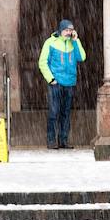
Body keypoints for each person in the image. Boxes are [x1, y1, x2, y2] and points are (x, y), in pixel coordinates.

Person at [38, 19, 86, 149]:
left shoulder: (74, 42)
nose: (68, 33)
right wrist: (51, 79)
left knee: (65, 113)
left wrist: (76, 41)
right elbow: (42, 62)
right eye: (66, 30)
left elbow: (81, 57)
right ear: (60, 30)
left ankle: (63, 141)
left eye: (71, 30)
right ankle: (51, 141)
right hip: (56, 83)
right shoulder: (50, 42)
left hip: (69, 83)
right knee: (54, 112)